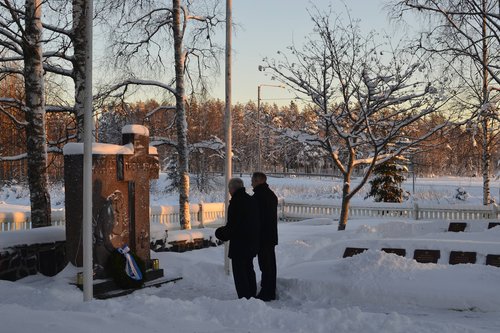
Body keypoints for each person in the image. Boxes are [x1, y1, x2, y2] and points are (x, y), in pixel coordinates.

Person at [215, 178, 260, 299]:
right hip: (251, 242)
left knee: (240, 273)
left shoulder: (236, 202)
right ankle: (252, 294)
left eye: (229, 189)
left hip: (240, 244)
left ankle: (244, 298)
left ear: (233, 189)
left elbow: (233, 225)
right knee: (249, 269)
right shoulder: (251, 200)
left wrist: (220, 233)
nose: (229, 192)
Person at [251, 172, 278, 301]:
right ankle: (269, 289)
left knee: (265, 265)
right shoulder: (271, 195)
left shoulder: (258, 196)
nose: (251, 183)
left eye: (253, 180)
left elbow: (256, 219)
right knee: (270, 265)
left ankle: (267, 292)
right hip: (271, 236)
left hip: (263, 237)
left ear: (258, 181)